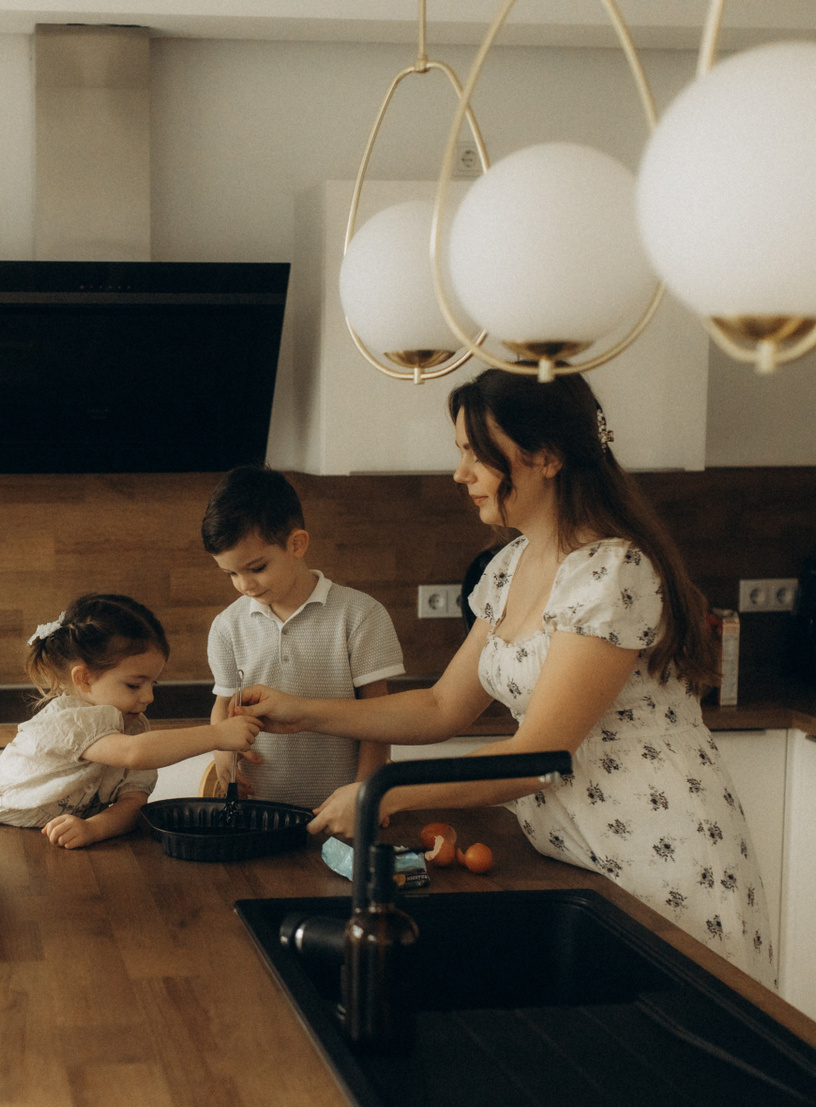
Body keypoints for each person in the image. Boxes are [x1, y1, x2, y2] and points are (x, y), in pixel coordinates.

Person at [238, 370, 776, 984]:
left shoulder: (612, 572)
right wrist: (305, 711)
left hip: (660, 860)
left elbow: (538, 756)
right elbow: (442, 706)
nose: (460, 473)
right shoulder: (509, 565)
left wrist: (385, 791)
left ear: (546, 457)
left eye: (476, 453)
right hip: (577, 859)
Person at [0, 593, 262, 846]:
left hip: (27, 843)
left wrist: (93, 828)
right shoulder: (67, 721)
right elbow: (134, 753)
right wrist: (217, 735)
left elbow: (133, 803)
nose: (149, 697)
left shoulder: (134, 728)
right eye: (134, 684)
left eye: (154, 683)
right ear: (84, 679)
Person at [201, 465, 404, 808]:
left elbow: (379, 721)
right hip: (258, 812)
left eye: (257, 568)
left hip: (338, 809)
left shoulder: (360, 615)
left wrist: (361, 798)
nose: (244, 585)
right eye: (231, 574)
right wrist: (221, 748)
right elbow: (223, 705)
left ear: (297, 544)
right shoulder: (226, 627)